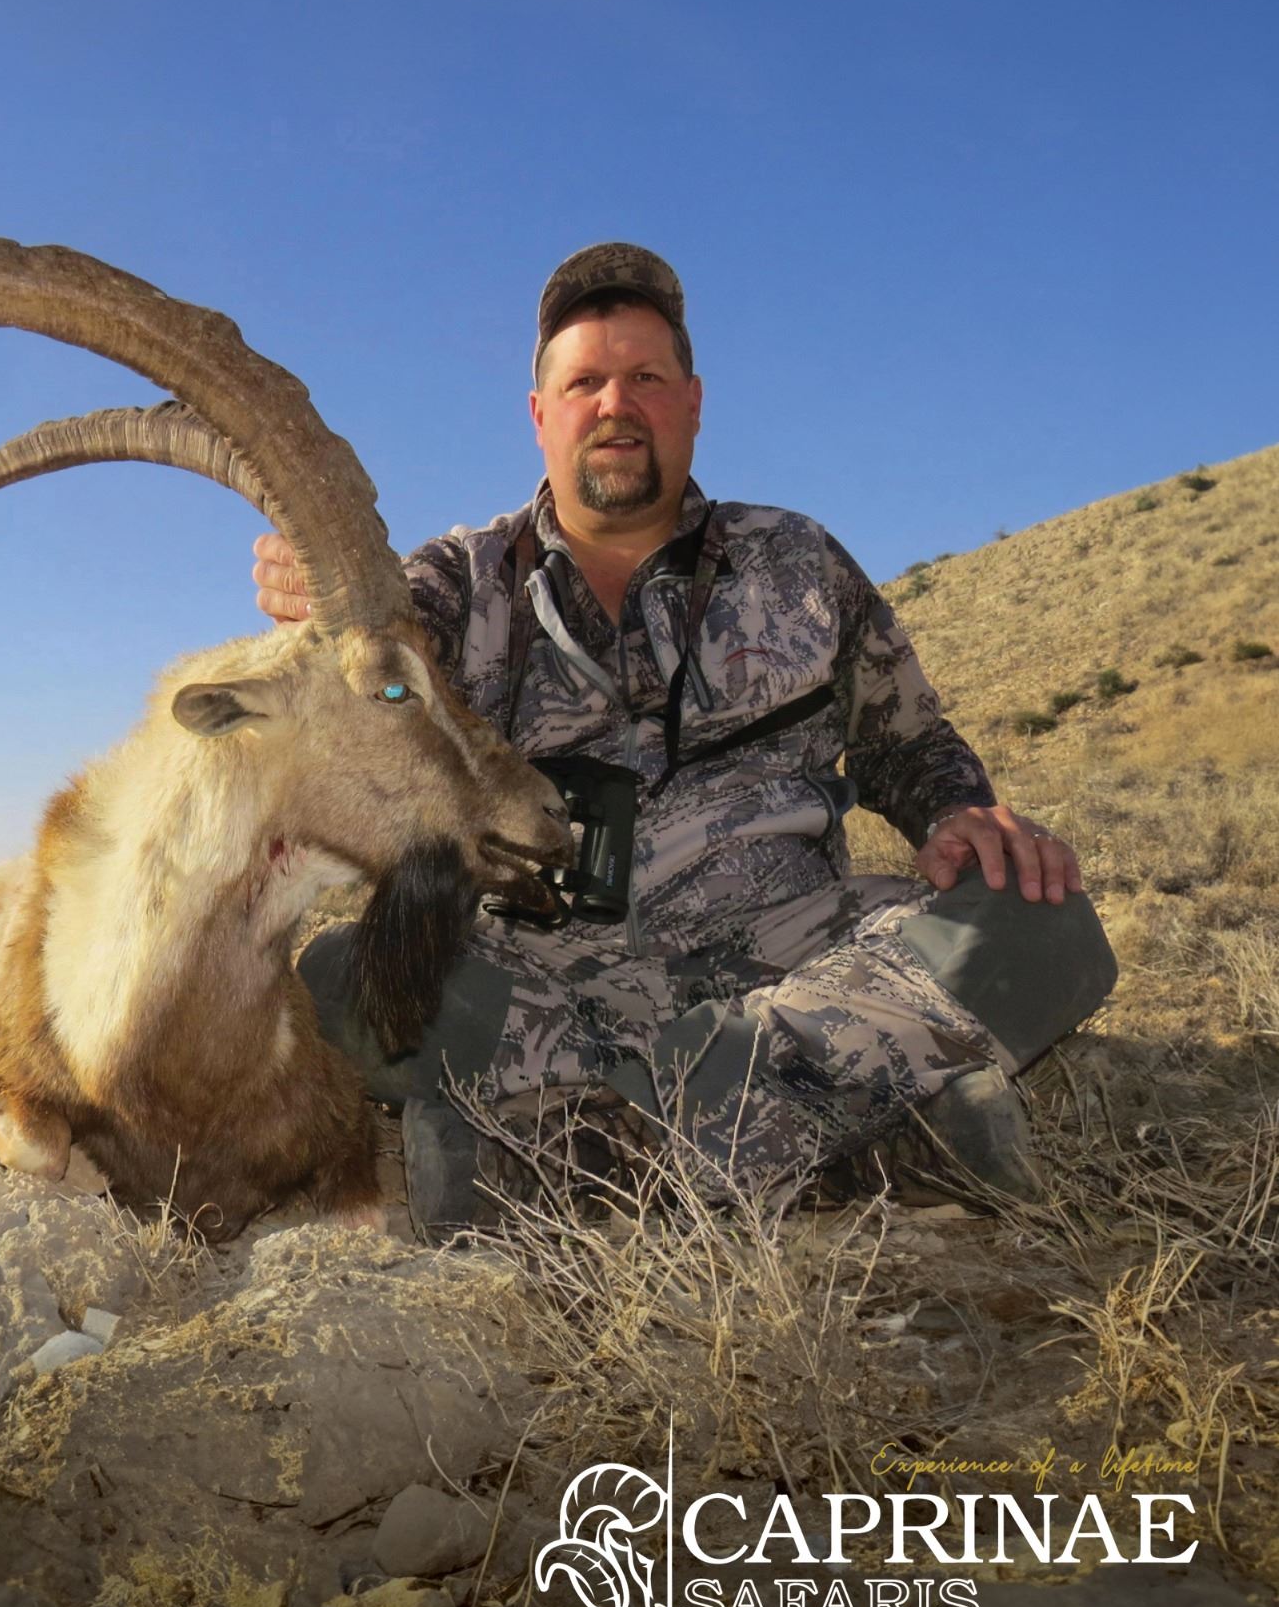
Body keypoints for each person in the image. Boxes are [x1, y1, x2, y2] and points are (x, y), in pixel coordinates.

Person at [253, 243, 1116, 1232]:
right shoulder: (456, 579)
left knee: (1042, 921)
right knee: (341, 983)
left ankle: (590, 1148)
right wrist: (330, 614)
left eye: (647, 378)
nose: (615, 404)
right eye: (584, 382)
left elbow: (906, 743)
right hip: (541, 969)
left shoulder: (797, 557)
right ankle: (863, 1128)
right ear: (540, 414)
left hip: (805, 952)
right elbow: (371, 690)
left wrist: (958, 813)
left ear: (693, 403)